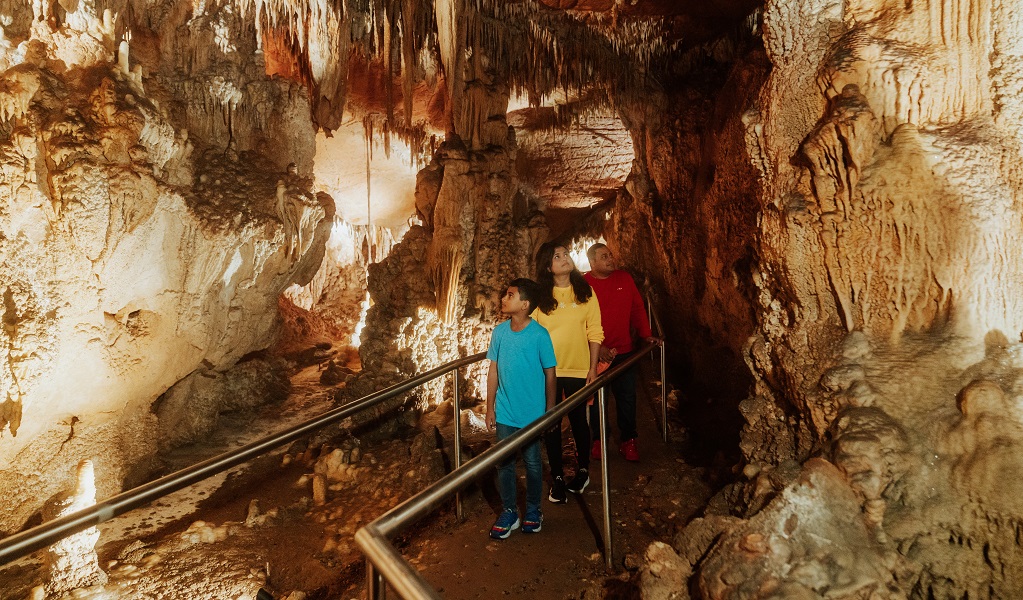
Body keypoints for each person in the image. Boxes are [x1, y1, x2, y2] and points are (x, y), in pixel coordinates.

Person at [485, 278, 557, 539]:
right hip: (505, 410)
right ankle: (509, 511)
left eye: (510, 295)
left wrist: (550, 410)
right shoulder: (499, 333)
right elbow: (493, 370)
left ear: (524, 304)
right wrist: (489, 406)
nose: (504, 299)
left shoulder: (539, 335)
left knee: (533, 463)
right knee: (504, 463)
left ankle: (534, 510)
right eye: (506, 294)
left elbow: (550, 373)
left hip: (532, 412)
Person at [532, 242, 603, 503]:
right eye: (557, 256)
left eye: (566, 254)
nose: (564, 258)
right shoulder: (541, 297)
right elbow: (532, 334)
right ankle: (558, 478)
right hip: (548, 371)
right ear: (548, 267)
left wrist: (593, 368)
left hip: (578, 367)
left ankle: (582, 470)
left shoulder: (586, 292)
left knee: (578, 421)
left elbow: (595, 331)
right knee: (551, 424)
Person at [584, 243, 660, 462]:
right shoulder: (583, 285)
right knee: (598, 398)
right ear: (592, 262)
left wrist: (646, 334)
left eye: (610, 255)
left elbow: (637, 307)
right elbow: (578, 321)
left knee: (627, 397)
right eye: (604, 256)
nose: (610, 259)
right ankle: (599, 439)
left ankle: (629, 440)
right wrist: (598, 348)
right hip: (595, 354)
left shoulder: (624, 279)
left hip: (625, 351)